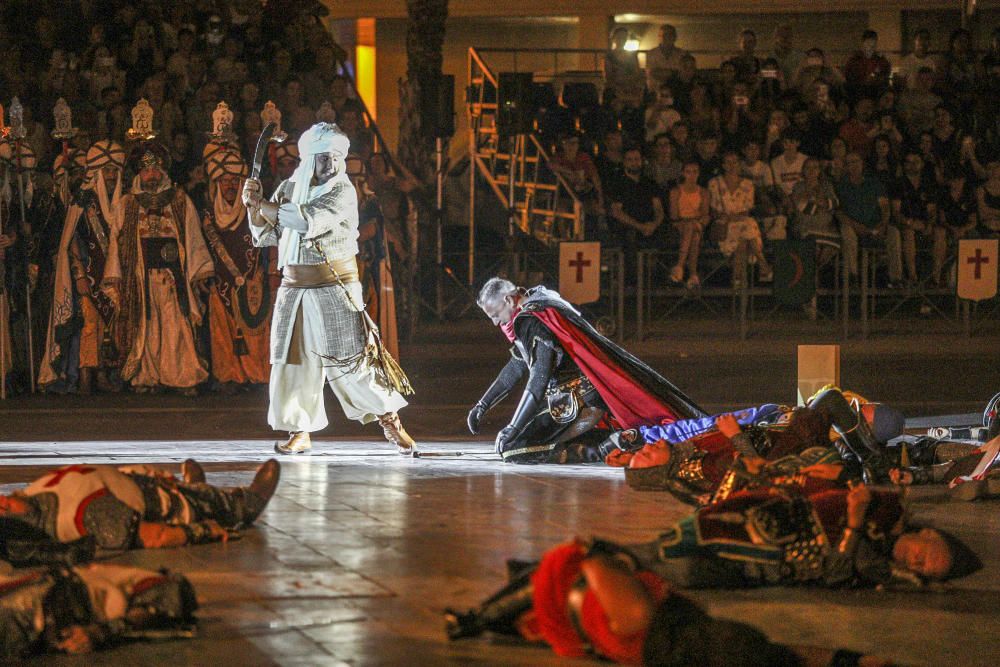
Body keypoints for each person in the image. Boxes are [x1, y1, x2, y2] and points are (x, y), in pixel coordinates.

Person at [242, 122, 415, 455]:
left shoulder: (343, 191)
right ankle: (299, 430)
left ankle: (391, 421)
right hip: (293, 289)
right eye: (324, 158)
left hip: (334, 287)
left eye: (337, 157)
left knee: (352, 362)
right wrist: (252, 206)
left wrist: (263, 204)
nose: (332, 164)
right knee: (293, 363)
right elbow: (267, 234)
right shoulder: (289, 188)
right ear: (310, 160)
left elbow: (307, 221)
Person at [446, 539, 894, 666]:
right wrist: (853, 659)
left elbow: (589, 562)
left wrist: (598, 553)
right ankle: (479, 619)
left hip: (652, 630)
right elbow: (794, 655)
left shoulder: (636, 621)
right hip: (685, 634)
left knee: (565, 561)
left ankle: (476, 620)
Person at [469, 277, 705, 463]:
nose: (496, 323)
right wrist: (483, 404)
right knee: (521, 440)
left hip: (577, 401)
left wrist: (514, 427)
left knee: (514, 449)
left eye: (496, 315)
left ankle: (603, 449)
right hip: (578, 396)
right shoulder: (540, 301)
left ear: (510, 300)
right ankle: (619, 439)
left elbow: (539, 378)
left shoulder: (531, 319)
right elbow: (518, 364)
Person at [101, 141, 214, 395]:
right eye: (146, 170)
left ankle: (183, 377)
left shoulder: (179, 200)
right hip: (139, 276)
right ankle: (147, 377)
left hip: (172, 276)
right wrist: (115, 275)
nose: (151, 175)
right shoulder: (127, 204)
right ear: (139, 173)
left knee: (176, 326)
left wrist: (199, 272)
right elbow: (115, 243)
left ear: (163, 171)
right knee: (146, 326)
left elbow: (193, 236)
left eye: (155, 170)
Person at [0, 459, 280, 551]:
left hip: (142, 482)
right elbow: (152, 536)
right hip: (170, 505)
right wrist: (203, 531)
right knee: (213, 503)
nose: (3, 500)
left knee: (190, 489)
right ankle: (244, 504)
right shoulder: (81, 517)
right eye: (3, 508)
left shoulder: (30, 496)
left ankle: (194, 486)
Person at [38, 141, 126, 394]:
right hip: (88, 272)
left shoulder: (123, 202)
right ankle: (86, 374)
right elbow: (72, 241)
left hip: (115, 275)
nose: (110, 177)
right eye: (106, 171)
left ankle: (105, 374)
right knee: (89, 325)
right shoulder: (83, 201)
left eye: (114, 172)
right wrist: (78, 275)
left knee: (114, 325)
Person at [0, 562, 198, 658]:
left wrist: (101, 632)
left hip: (45, 606)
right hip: (42, 602)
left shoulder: (157, 584)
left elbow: (169, 598)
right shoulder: (144, 580)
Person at [200, 144, 273, 388]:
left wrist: (268, 272)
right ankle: (229, 376)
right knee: (222, 331)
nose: (230, 186)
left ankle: (257, 374)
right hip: (220, 282)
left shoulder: (254, 209)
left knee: (255, 330)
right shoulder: (209, 215)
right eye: (224, 181)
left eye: (234, 181)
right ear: (217, 185)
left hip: (253, 279)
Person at [708, 150, 772, 287]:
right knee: (747, 227)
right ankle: (763, 263)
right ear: (723, 165)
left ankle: (737, 279)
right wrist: (728, 217)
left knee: (744, 234)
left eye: (735, 162)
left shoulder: (748, 184)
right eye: (728, 162)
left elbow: (747, 210)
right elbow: (713, 209)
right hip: (724, 225)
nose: (732, 165)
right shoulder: (714, 183)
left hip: (741, 222)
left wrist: (734, 217)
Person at [835, 152, 900, 285]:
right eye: (849, 163)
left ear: (862, 163)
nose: (853, 166)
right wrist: (855, 225)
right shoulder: (841, 186)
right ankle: (852, 274)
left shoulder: (874, 183)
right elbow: (838, 212)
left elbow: (885, 207)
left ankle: (896, 277)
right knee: (846, 231)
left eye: (856, 162)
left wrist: (883, 224)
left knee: (893, 232)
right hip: (854, 227)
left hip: (876, 225)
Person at [891, 150, 940, 286]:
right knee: (908, 233)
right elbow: (895, 211)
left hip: (924, 224)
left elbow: (932, 210)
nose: (912, 165)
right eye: (909, 162)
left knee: (940, 233)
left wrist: (929, 224)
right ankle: (913, 277)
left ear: (922, 164)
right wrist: (909, 222)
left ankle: (936, 278)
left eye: (916, 162)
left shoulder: (928, 184)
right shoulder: (898, 184)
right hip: (906, 223)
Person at [668, 160, 709, 288]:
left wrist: (697, 221)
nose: (691, 175)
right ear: (683, 173)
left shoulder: (704, 192)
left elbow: (705, 214)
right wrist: (691, 221)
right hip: (680, 224)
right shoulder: (676, 191)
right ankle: (692, 274)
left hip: (697, 224)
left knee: (694, 231)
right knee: (693, 232)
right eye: (688, 172)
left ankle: (679, 266)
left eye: (695, 172)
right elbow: (674, 215)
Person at [843, 30, 891, 102]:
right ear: (863, 43)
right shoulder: (854, 60)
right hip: (858, 93)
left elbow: (886, 75)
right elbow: (848, 77)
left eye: (873, 44)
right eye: (868, 43)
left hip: (876, 93)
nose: (871, 46)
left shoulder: (881, 61)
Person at [644, 24, 688, 92]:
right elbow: (651, 73)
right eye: (664, 35)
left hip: (676, 91)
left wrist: (662, 72)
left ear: (675, 37)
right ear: (659, 37)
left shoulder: (682, 54)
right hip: (655, 91)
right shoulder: (651, 53)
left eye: (669, 35)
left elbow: (683, 73)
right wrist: (672, 73)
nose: (666, 38)